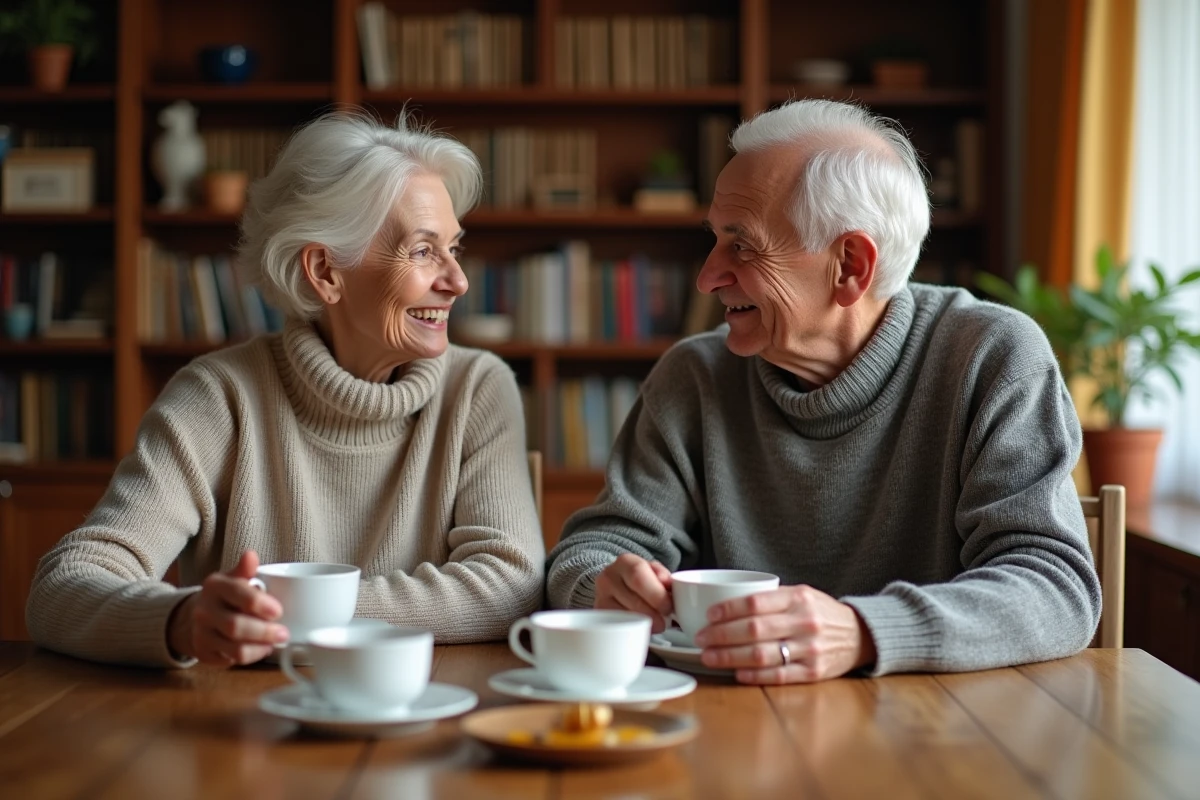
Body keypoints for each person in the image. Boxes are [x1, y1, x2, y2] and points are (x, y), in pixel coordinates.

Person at [546, 99, 1101, 683]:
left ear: (850, 266)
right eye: (713, 240)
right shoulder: (694, 378)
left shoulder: (990, 357)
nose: (707, 275)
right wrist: (605, 587)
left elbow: (1054, 588)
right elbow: (590, 551)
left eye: (743, 245)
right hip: (728, 728)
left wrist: (863, 632)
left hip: (939, 734)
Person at [27, 113, 544, 667]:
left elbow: (508, 586)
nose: (457, 281)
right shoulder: (218, 397)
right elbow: (64, 586)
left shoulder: (477, 388)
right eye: (422, 251)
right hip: (240, 729)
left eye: (454, 248)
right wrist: (180, 620)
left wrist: (290, 619)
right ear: (325, 271)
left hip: (423, 711)